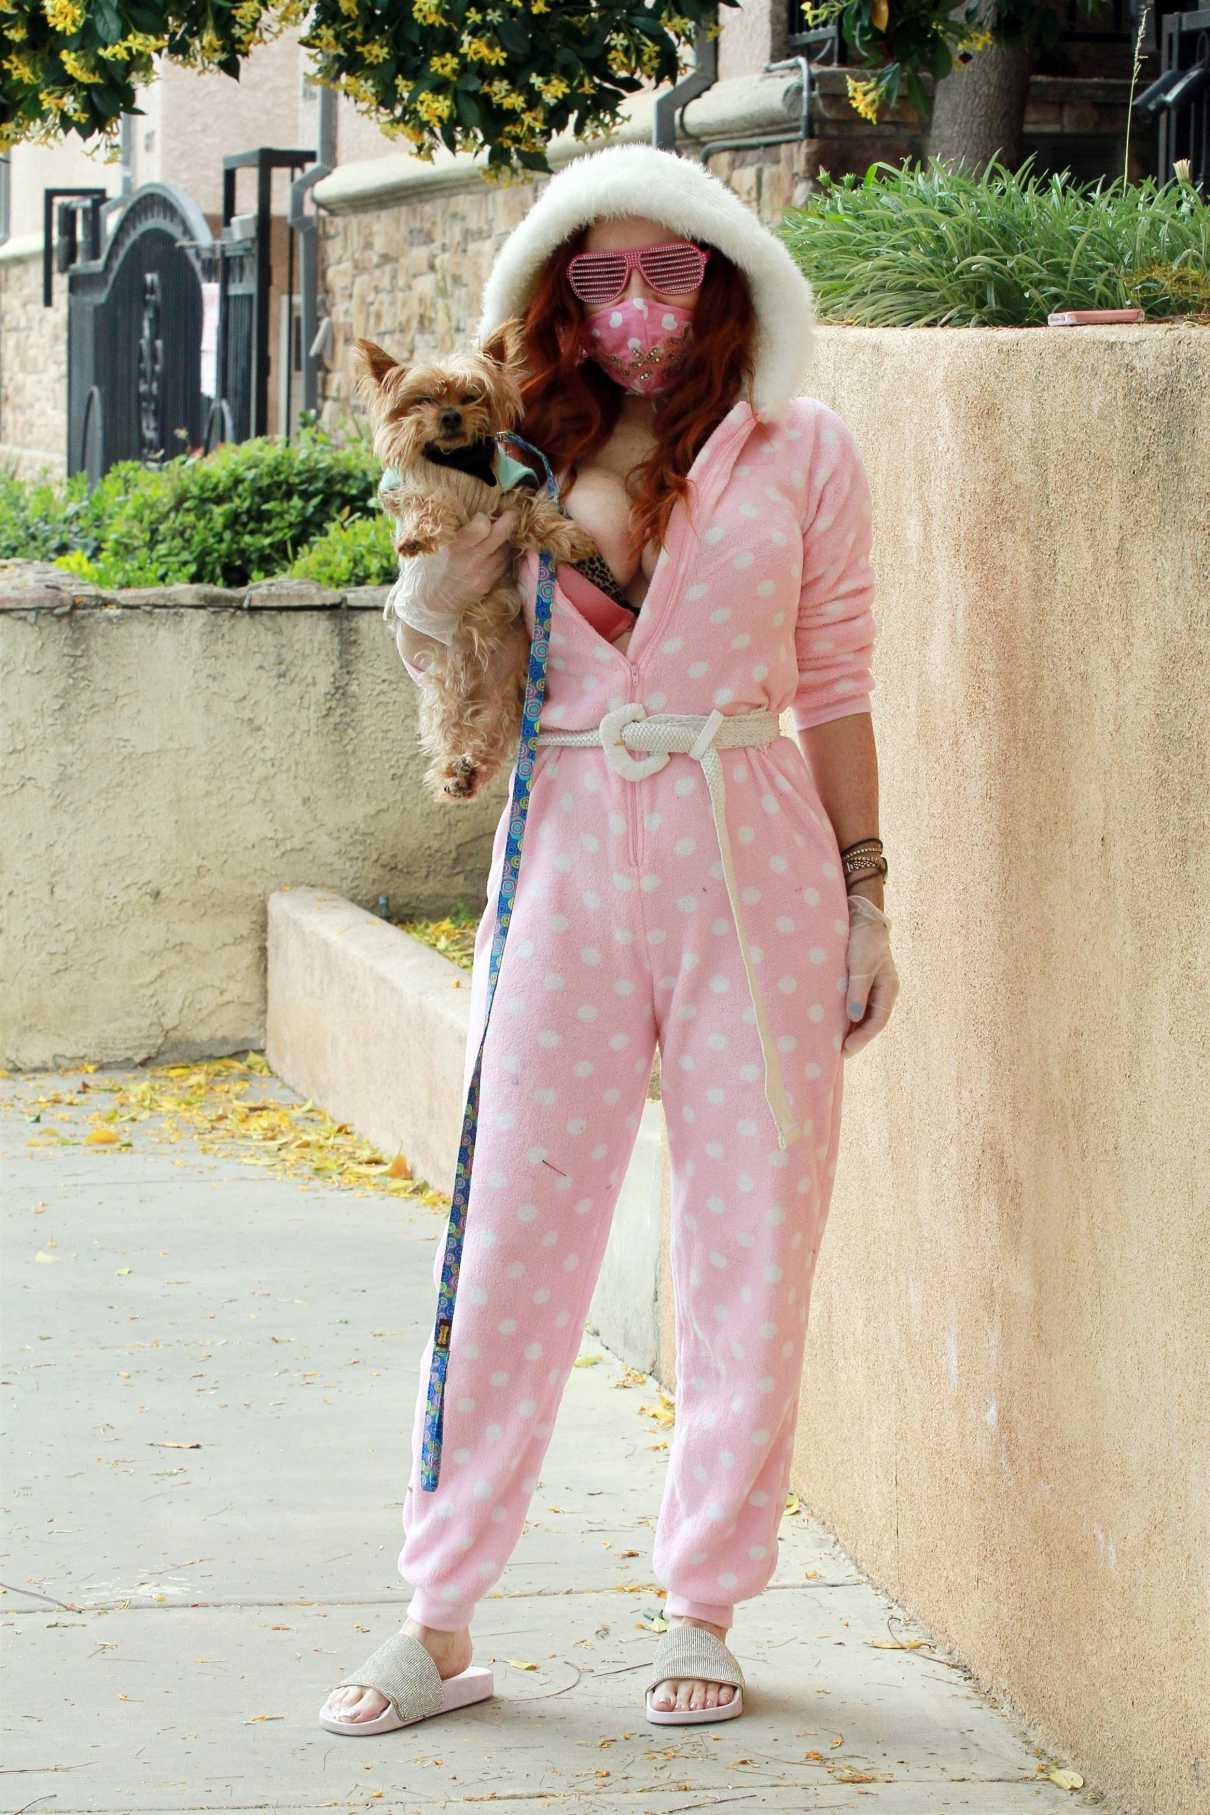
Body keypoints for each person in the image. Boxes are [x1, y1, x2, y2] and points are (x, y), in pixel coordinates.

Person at [320, 142, 900, 1735]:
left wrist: (863, 893)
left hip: (753, 857)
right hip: (567, 851)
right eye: (597, 275)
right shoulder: (509, 445)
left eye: (667, 268)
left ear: (722, 275)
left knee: (752, 1234)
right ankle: (438, 1618)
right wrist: (434, 570)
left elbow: (835, 679)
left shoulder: (803, 449)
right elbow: (438, 632)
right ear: (551, 295)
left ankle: (702, 1603)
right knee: (512, 1224)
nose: (635, 305)